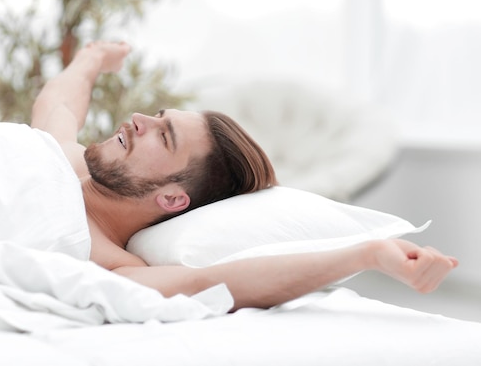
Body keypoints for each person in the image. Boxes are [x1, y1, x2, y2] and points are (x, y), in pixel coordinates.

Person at [30, 41, 458, 310]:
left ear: (174, 198)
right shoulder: (64, 156)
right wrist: (91, 59)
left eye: (165, 136)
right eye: (157, 117)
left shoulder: (108, 262)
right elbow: (59, 107)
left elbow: (211, 283)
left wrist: (366, 255)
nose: (139, 118)